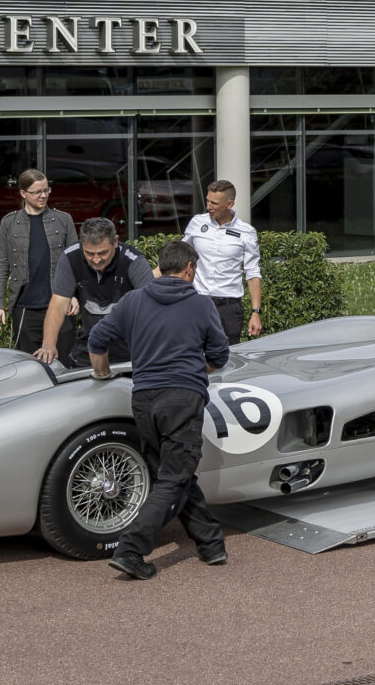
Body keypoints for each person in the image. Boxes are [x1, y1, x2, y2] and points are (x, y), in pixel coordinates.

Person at [85, 238, 229, 579]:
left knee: (176, 476)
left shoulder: (132, 301)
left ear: (160, 266)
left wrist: (103, 374)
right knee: (174, 477)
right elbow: (219, 357)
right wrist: (196, 369)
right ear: (190, 268)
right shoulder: (202, 304)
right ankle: (130, 550)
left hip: (144, 399)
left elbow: (96, 341)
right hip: (182, 397)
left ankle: (211, 546)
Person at [37, 216, 150, 364]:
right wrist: (48, 345)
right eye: (89, 253)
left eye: (103, 253)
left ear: (115, 242)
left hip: (130, 353)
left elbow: (151, 305)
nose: (96, 260)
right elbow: (58, 304)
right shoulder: (70, 257)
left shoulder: (134, 260)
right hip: (88, 350)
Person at [0, 168, 75, 354]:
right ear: (23, 193)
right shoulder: (9, 223)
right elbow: (1, 266)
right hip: (25, 308)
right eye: (37, 192)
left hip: (60, 304)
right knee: (28, 368)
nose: (43, 195)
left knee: (63, 365)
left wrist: (75, 294)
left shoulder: (63, 219)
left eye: (46, 190)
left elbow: (75, 262)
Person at [183, 180, 262, 344]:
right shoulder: (197, 223)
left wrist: (255, 313)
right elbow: (181, 256)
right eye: (207, 201)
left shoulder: (247, 232)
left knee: (228, 359)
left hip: (229, 308)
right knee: (192, 355)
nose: (208, 206)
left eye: (214, 203)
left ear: (230, 203)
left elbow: (253, 273)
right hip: (198, 302)